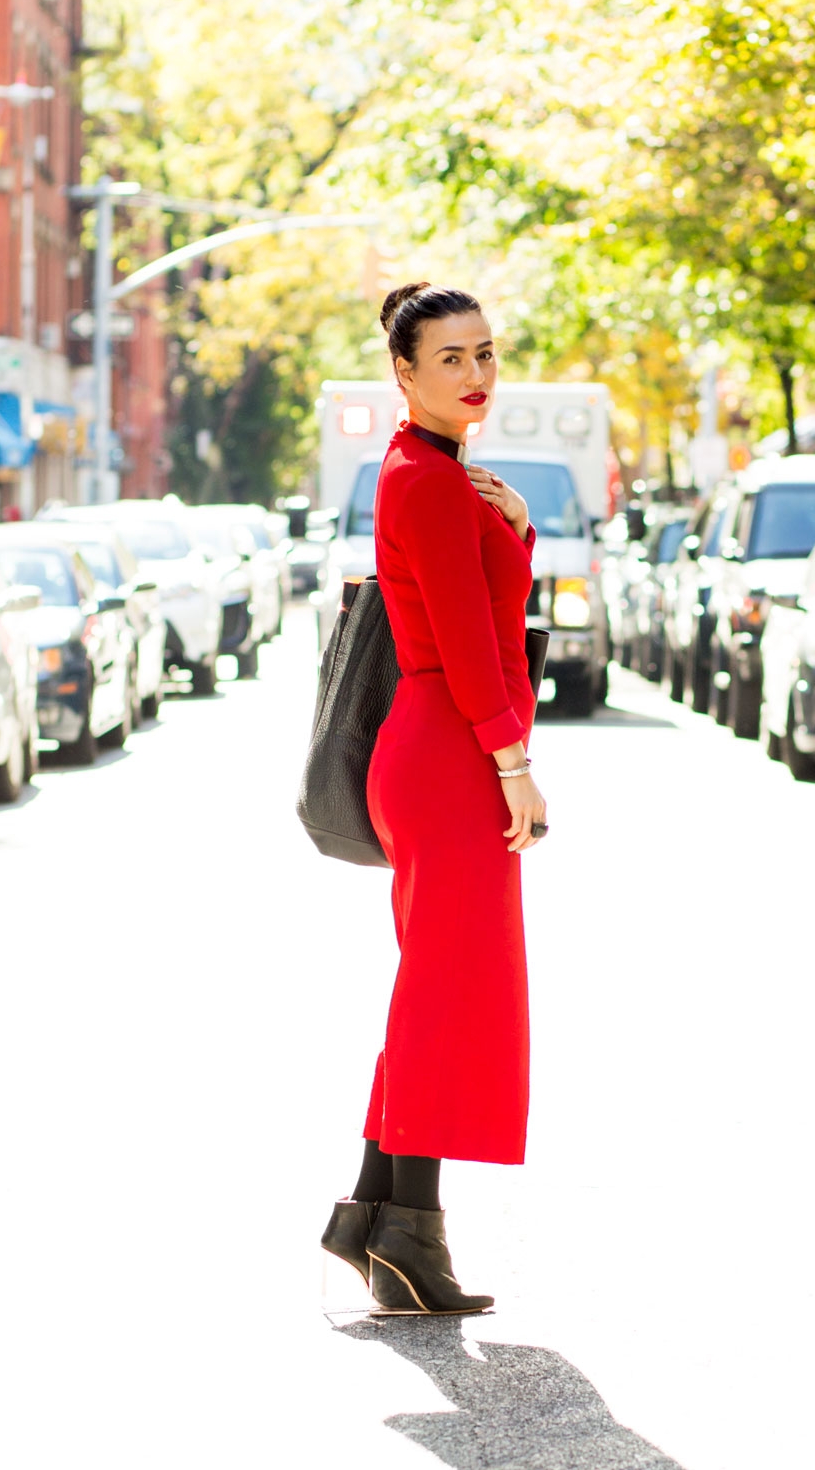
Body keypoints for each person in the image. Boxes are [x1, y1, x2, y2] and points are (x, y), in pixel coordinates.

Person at [321, 283, 549, 1315]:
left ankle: (376, 1218)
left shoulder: (441, 475)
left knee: (438, 988)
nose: (474, 376)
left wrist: (521, 531)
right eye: (449, 359)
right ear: (401, 374)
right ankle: (407, 1239)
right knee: (445, 994)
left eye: (484, 355)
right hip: (450, 759)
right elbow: (464, 649)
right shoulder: (422, 477)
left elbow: (483, 609)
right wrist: (513, 766)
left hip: (445, 755)